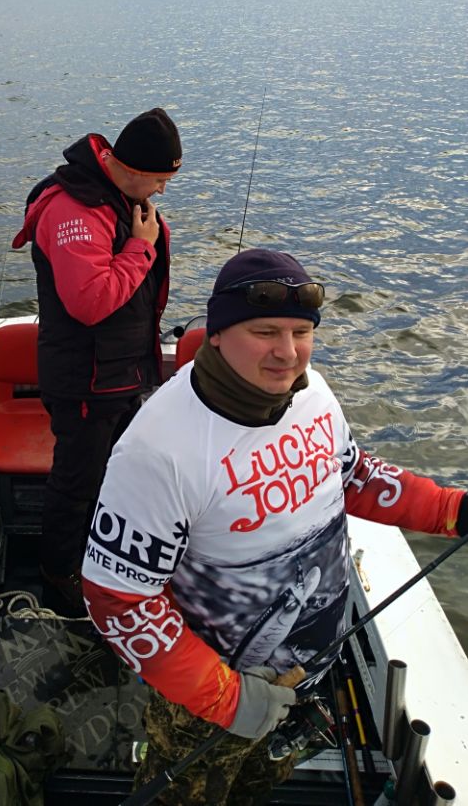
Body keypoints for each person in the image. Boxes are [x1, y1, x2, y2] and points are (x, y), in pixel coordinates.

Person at [82, 248, 467, 805]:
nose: (287, 353)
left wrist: (452, 510)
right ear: (217, 334)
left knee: (258, 788)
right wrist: (229, 700)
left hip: (307, 679)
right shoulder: (157, 449)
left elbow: (353, 476)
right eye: (264, 332)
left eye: (301, 332)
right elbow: (118, 599)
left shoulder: (312, 391)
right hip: (212, 704)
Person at [12, 108, 182, 612]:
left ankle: (108, 556)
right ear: (129, 167)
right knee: (77, 482)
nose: (163, 190)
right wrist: (141, 248)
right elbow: (89, 301)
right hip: (85, 380)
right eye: (160, 179)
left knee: (123, 472)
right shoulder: (75, 210)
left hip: (120, 372)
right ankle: (59, 571)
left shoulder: (120, 198)